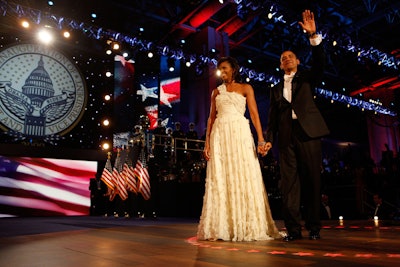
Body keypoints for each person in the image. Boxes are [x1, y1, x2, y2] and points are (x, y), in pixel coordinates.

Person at [197, 56, 281, 241]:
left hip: (240, 134)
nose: (222, 71)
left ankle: (246, 224)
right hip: (220, 136)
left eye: (225, 68)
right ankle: (222, 226)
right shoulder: (216, 92)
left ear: (233, 69)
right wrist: (207, 143)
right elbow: (211, 118)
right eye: (220, 69)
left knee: (243, 174)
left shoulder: (246, 88)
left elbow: (254, 114)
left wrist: (260, 139)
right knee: (221, 177)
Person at [264, 10, 330, 241]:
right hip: (285, 137)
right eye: (283, 58)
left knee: (312, 180)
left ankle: (314, 227)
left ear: (298, 61)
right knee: (288, 185)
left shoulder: (307, 79)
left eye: (291, 56)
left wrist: (313, 36)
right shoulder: (274, 89)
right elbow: (272, 118)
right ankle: (292, 229)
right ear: (280, 65)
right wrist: (267, 138)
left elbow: (321, 62)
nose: (287, 59)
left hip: (309, 134)